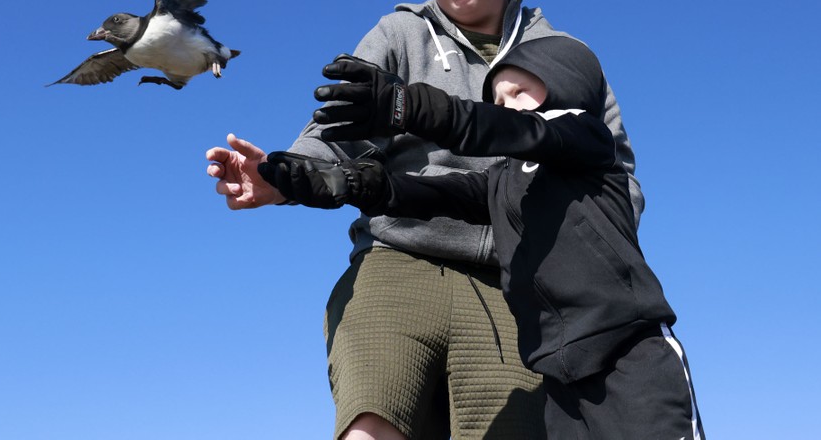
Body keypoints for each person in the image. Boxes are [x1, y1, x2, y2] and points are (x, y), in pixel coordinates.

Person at [206, 0, 642, 439]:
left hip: (516, 279)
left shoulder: (565, 56)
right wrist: (282, 177)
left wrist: (570, 256)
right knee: (370, 424)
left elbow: (618, 180)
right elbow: (335, 134)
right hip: (399, 258)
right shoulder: (398, 35)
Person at [258, 36, 705, 439]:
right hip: (556, 375)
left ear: (565, 84)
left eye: (518, 91)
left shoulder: (586, 140)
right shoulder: (504, 181)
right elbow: (444, 193)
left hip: (629, 356)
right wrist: (357, 184)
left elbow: (522, 131)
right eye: (496, 98)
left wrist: (406, 106)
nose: (505, 105)